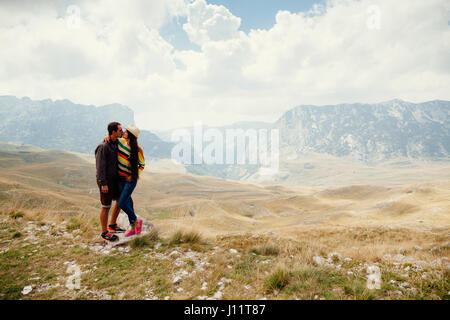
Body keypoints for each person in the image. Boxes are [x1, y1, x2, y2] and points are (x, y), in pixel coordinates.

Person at [95, 122, 126, 242]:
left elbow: (126, 137)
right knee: (106, 206)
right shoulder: (103, 147)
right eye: (119, 130)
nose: (121, 132)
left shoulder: (115, 143)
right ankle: (104, 232)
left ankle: (112, 225)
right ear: (113, 132)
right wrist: (103, 183)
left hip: (115, 180)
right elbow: (100, 167)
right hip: (105, 181)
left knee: (120, 200)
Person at [116, 125, 145, 237]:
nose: (124, 132)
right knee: (128, 202)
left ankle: (136, 221)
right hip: (120, 178)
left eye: (126, 131)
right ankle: (133, 226)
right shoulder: (120, 141)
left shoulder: (137, 149)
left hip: (130, 180)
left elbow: (142, 165)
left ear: (130, 135)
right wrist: (106, 136)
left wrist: (133, 175)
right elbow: (110, 137)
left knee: (122, 203)